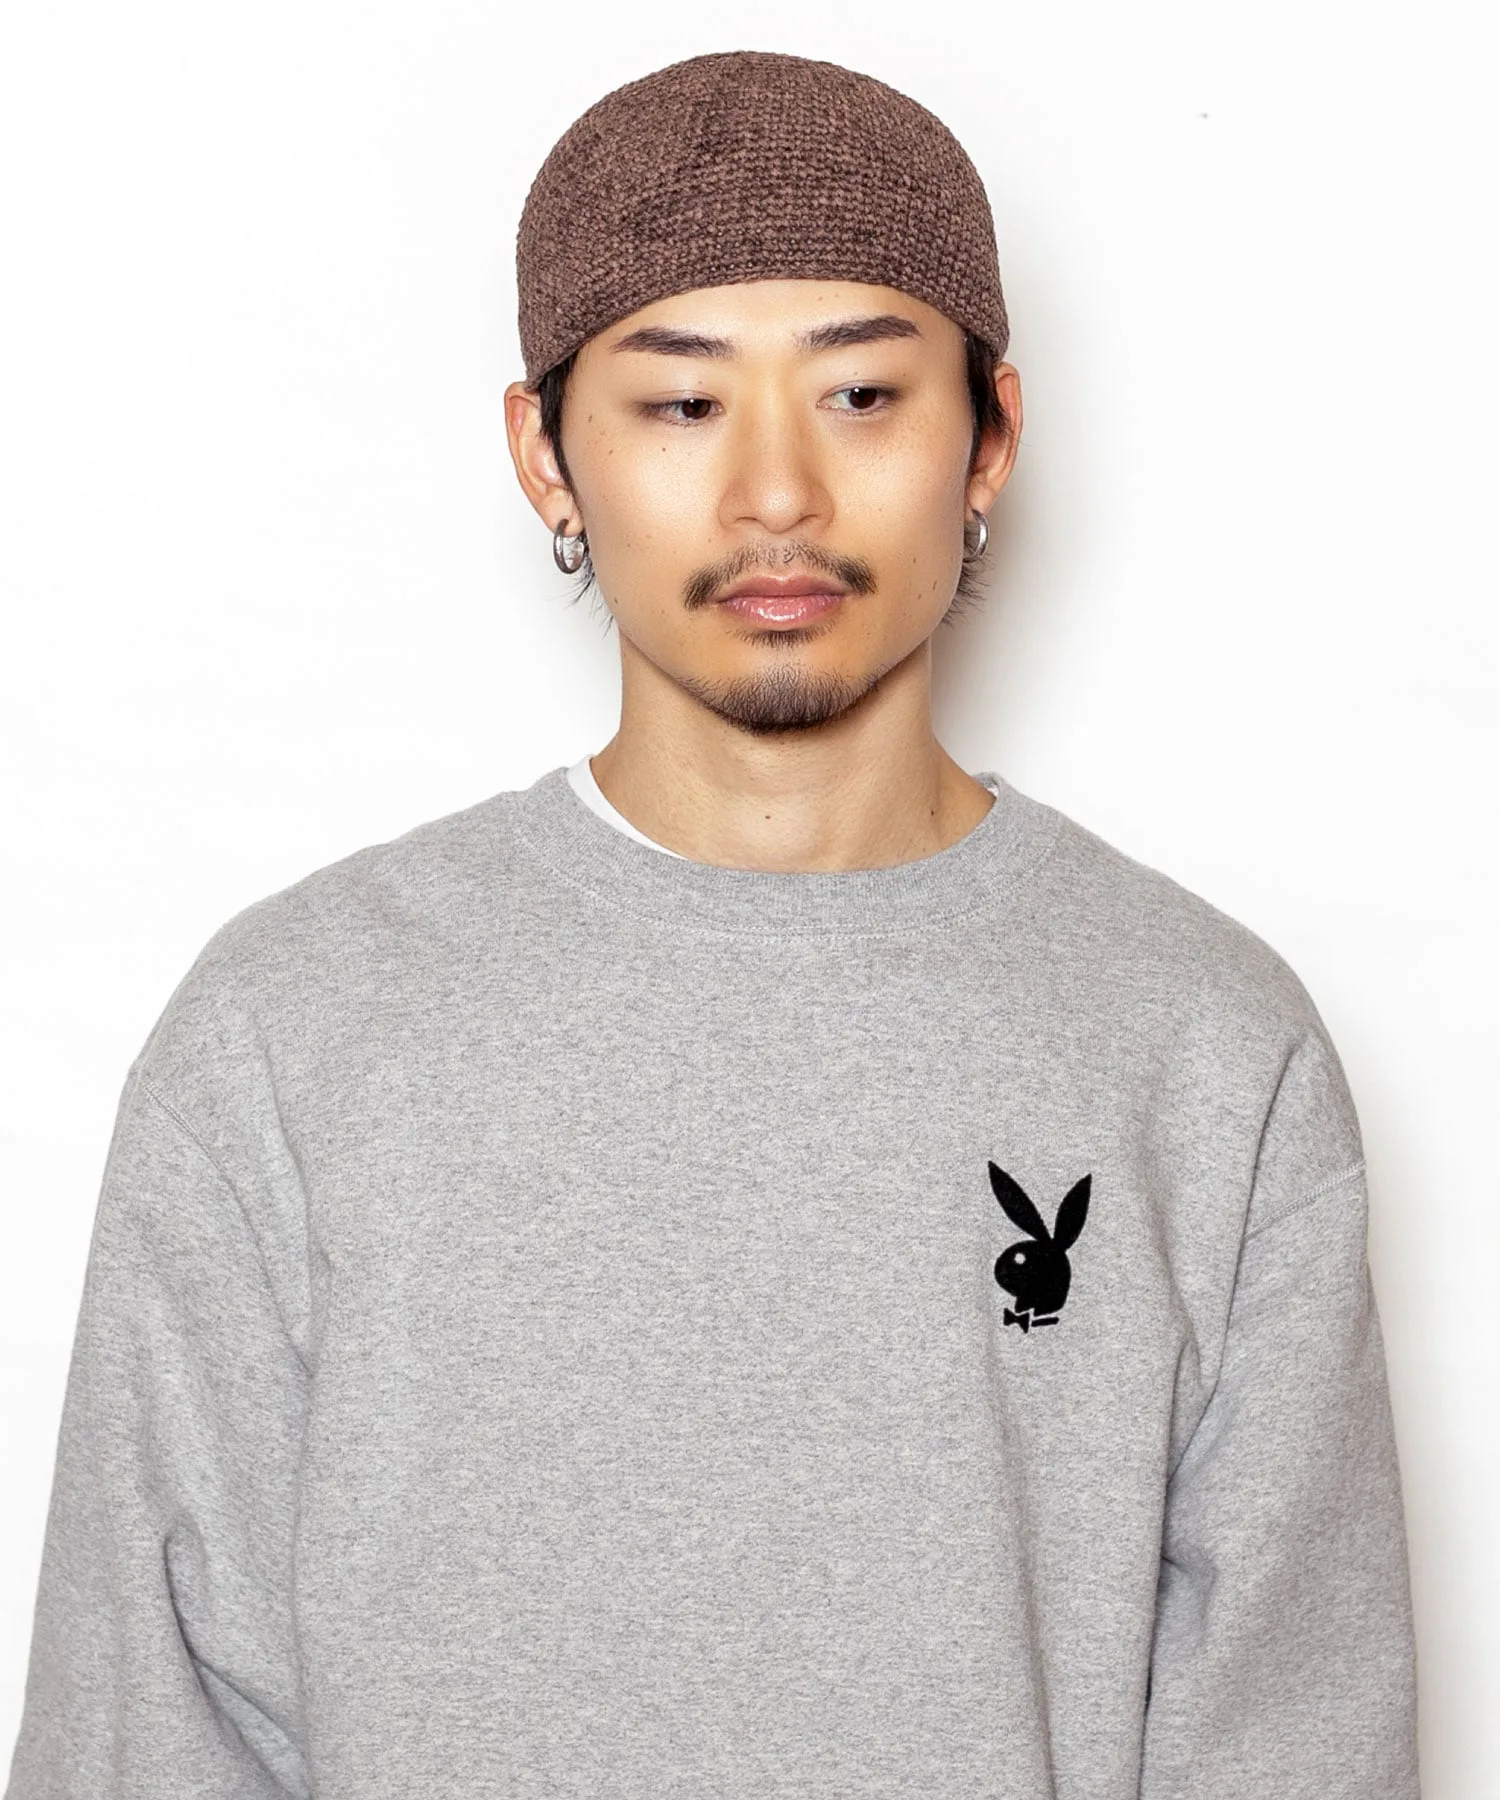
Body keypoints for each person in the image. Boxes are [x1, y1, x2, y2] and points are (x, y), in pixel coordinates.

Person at [3, 48, 1419, 1800]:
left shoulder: (1204, 1047)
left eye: (862, 395)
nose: (775, 495)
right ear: (546, 455)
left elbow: (1297, 1741)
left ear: (989, 437)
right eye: (681, 403)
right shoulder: (293, 1033)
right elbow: (146, 1737)